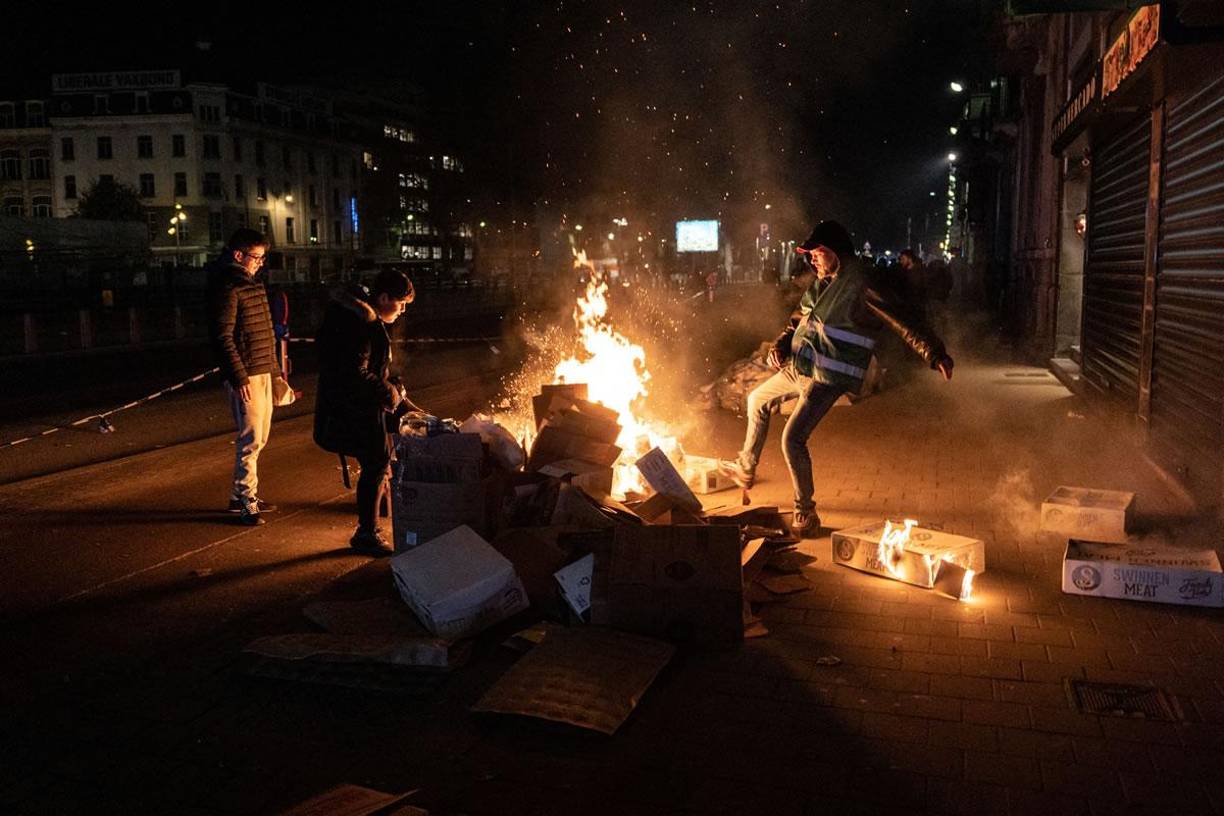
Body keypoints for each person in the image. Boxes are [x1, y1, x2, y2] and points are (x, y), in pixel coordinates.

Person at [720, 220, 954, 537]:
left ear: (835, 253)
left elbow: (903, 319)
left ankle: (805, 513)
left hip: (828, 375)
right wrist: (782, 343)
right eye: (811, 254)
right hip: (801, 366)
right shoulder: (822, 283)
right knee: (756, 400)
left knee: (792, 439)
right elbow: (796, 321)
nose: (812, 259)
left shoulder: (861, 285)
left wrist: (934, 352)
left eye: (817, 253)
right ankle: (745, 468)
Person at [313, 268, 418, 555]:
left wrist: (396, 390)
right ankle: (366, 533)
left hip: (361, 404)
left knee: (377, 461)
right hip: (351, 407)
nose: (403, 310)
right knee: (375, 462)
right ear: (384, 297)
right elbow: (354, 371)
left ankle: (371, 524)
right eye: (401, 303)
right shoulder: (359, 322)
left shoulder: (366, 318)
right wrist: (388, 393)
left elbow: (374, 367)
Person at [207, 228, 278, 526]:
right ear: (239, 255)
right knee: (250, 440)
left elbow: (264, 333)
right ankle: (245, 502)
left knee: (259, 439)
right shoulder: (229, 287)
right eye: (256, 257)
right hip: (246, 375)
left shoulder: (249, 284)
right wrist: (239, 377)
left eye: (262, 258)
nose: (260, 263)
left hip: (260, 371)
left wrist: (274, 372)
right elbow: (223, 336)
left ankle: (242, 495)